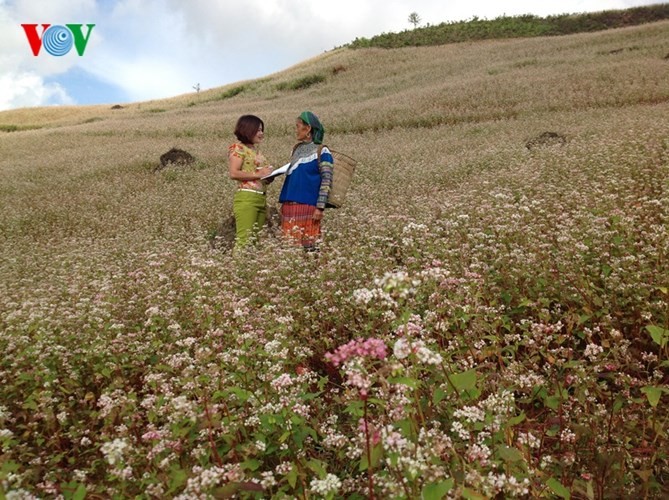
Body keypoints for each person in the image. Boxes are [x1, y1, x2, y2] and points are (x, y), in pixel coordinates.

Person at [278, 111, 334, 251]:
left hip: (309, 208)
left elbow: (327, 180)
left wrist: (320, 207)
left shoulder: (323, 151)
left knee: (310, 247)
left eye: (298, 126)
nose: (296, 130)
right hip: (289, 207)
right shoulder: (296, 149)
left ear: (308, 128)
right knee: (289, 248)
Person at [228, 114, 274, 250]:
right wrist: (258, 174)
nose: (261, 133)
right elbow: (234, 173)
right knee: (244, 241)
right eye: (258, 130)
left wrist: (269, 176)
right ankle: (237, 269)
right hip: (247, 198)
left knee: (254, 241)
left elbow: (260, 176)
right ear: (248, 130)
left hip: (261, 198)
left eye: (262, 130)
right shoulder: (238, 148)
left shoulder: (256, 151)